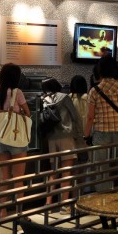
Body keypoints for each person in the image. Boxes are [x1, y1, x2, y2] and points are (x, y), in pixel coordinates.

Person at [85, 54, 118, 190]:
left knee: (102, 171)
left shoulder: (94, 91)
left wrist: (86, 136)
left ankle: (104, 199)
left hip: (101, 134)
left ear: (100, 70)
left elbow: (90, 117)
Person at [41, 78, 82, 213]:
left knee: (54, 172)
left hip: (52, 138)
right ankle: (64, 205)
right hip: (66, 137)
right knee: (66, 171)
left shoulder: (44, 99)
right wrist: (79, 136)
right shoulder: (64, 97)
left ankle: (48, 204)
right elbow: (75, 117)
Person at [0, 63, 31, 216]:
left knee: (4, 177)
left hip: (3, 138)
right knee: (18, 178)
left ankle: (2, 211)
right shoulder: (18, 92)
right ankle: (19, 212)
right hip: (17, 139)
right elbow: (27, 113)